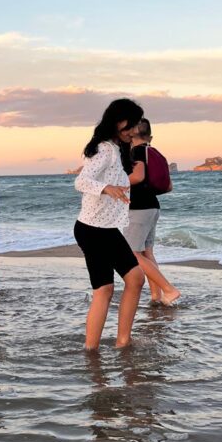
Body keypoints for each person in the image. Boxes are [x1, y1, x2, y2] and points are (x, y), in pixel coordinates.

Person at [74, 99, 146, 350]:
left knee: (118, 284)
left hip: (100, 229)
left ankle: (111, 344)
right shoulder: (105, 149)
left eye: (136, 126)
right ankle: (104, 346)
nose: (133, 131)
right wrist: (107, 188)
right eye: (130, 125)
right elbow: (81, 181)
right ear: (117, 122)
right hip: (94, 229)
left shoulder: (116, 149)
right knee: (116, 285)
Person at [126, 119, 180, 305]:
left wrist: (112, 183)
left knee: (131, 252)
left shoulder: (136, 152)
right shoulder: (155, 153)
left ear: (131, 134)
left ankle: (169, 290)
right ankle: (156, 296)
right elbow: (169, 186)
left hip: (139, 208)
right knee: (147, 252)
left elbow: (138, 176)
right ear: (150, 136)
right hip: (152, 207)